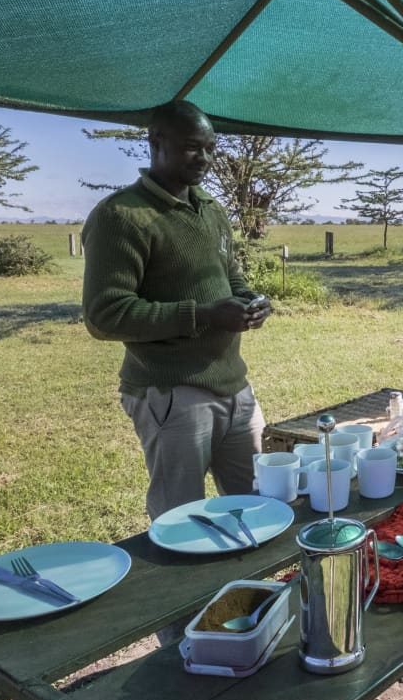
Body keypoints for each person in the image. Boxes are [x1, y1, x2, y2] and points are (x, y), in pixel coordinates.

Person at [82, 100, 271, 522]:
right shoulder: (122, 216)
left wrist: (252, 302)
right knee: (180, 520)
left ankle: (249, 589)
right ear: (155, 141)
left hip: (234, 387)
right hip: (172, 393)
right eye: (191, 147)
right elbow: (104, 315)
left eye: (209, 148)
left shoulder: (210, 209)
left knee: (260, 505)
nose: (203, 159)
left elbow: (231, 277)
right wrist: (205, 315)